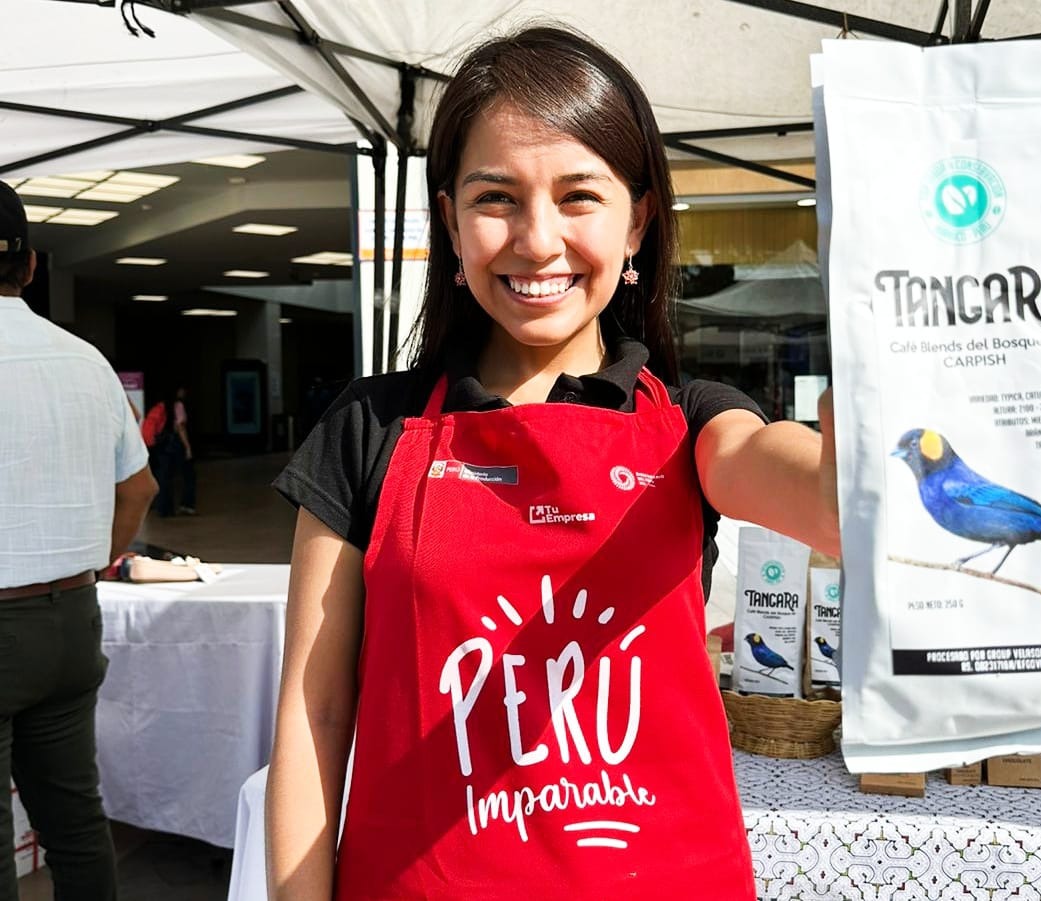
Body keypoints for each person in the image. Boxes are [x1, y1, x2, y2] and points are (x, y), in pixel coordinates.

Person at [269, 25, 839, 901]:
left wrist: (874, 436)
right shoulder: (368, 429)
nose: (538, 241)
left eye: (580, 197)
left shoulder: (696, 426)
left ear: (639, 220)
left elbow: (818, 494)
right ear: (451, 218)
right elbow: (316, 714)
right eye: (496, 197)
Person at [0, 182, 158, 901]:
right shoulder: (85, 360)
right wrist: (92, 557)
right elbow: (140, 487)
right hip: (69, 618)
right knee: (73, 822)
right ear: (30, 265)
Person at [153, 385, 196, 516]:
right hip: (176, 444)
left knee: (165, 477)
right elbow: (180, 428)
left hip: (163, 444)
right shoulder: (179, 406)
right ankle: (187, 505)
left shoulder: (163, 405)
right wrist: (188, 447)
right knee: (189, 475)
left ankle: (164, 508)